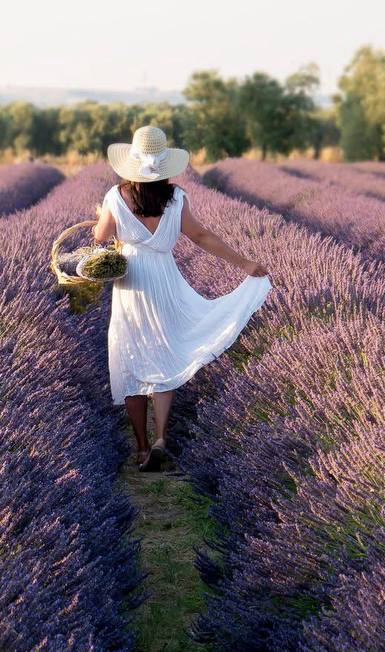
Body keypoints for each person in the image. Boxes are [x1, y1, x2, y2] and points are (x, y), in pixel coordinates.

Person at [92, 125, 272, 472]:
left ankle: (142, 449)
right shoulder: (176, 198)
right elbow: (202, 236)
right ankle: (160, 437)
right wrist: (245, 263)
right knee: (163, 353)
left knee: (129, 357)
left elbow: (100, 238)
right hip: (164, 280)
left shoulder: (115, 197)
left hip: (131, 283)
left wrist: (98, 222)